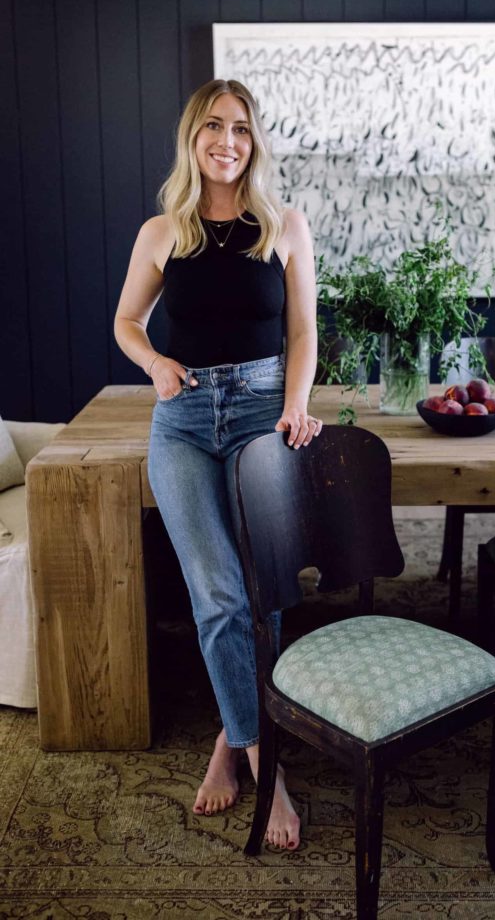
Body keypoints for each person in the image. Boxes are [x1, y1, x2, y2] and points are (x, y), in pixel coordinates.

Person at [114, 79, 322, 851]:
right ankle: (267, 766)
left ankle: (226, 742)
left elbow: (301, 332)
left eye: (239, 128)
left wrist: (296, 404)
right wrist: (155, 364)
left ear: (254, 141)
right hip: (184, 421)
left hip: (262, 414)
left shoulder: (286, 227)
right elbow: (126, 321)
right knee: (216, 594)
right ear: (191, 139)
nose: (226, 141)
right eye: (212, 127)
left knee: (262, 594)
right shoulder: (163, 230)